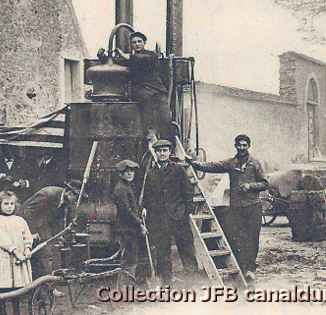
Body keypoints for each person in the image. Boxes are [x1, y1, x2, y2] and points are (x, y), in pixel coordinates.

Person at [189, 134, 268, 282]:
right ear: (235, 146)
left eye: (245, 145)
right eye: (239, 145)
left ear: (248, 146)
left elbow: (265, 183)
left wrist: (250, 186)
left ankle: (250, 269)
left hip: (253, 207)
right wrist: (194, 164)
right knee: (237, 238)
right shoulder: (231, 163)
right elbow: (212, 166)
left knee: (252, 238)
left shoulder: (255, 164)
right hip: (236, 207)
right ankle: (241, 267)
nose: (242, 148)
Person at [16, 179, 81, 283]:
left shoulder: (64, 200)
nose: (75, 201)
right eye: (76, 198)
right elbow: (27, 212)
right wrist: (32, 231)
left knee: (46, 253)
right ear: (69, 193)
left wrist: (58, 235)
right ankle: (40, 286)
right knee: (43, 254)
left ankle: (45, 286)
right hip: (26, 224)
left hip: (42, 225)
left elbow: (57, 219)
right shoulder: (47, 195)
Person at [113, 31, 173, 143]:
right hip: (141, 89)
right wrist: (103, 57)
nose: (137, 44)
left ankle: (170, 144)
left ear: (144, 42)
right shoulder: (130, 59)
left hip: (157, 89)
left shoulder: (151, 55)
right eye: (134, 42)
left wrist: (125, 55)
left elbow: (140, 58)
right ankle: (152, 130)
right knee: (145, 101)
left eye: (139, 41)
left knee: (166, 118)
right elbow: (116, 63)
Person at [0, 190, 34, 315]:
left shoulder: (20, 220)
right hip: (4, 257)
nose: (9, 207)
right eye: (6, 204)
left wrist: (27, 248)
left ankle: (17, 314)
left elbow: (27, 235)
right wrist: (14, 251)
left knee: (17, 287)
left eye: (12, 204)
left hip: (19, 258)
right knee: (3, 285)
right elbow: (3, 240)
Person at [112, 160, 150, 286]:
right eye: (126, 171)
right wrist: (140, 224)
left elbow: (133, 205)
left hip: (130, 228)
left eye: (131, 171)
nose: (129, 173)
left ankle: (128, 287)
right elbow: (126, 211)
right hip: (126, 229)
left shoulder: (127, 186)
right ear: (120, 174)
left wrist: (141, 209)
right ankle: (125, 289)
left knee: (132, 258)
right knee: (129, 260)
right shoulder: (121, 188)